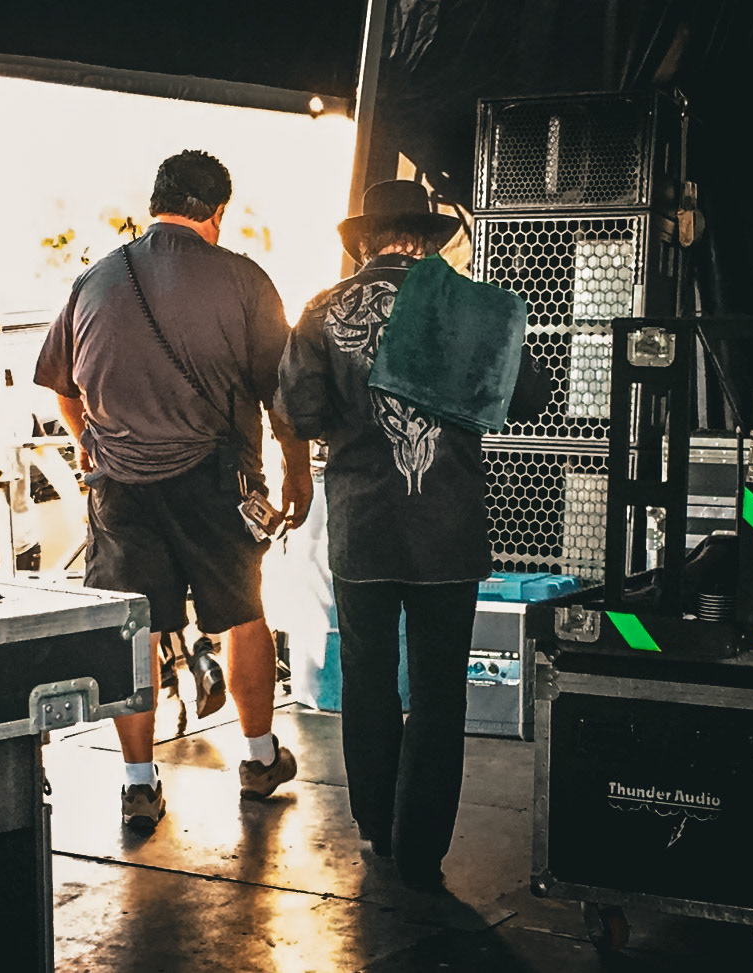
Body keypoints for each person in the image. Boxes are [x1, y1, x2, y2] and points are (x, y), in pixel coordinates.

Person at [274, 179, 545, 890]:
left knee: (367, 678)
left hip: (362, 526)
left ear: (364, 241)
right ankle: (422, 847)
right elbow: (531, 394)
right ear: (426, 240)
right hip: (447, 526)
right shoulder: (472, 304)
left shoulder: (322, 310)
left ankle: (375, 825)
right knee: (439, 689)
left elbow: (301, 412)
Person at [34, 149, 313, 831]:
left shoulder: (96, 278)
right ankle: (259, 758)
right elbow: (283, 395)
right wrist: (297, 469)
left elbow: (63, 388)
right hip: (215, 482)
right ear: (217, 212)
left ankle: (138, 783)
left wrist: (89, 440)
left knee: (136, 628)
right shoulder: (244, 280)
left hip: (118, 488)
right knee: (244, 613)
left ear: (155, 202)